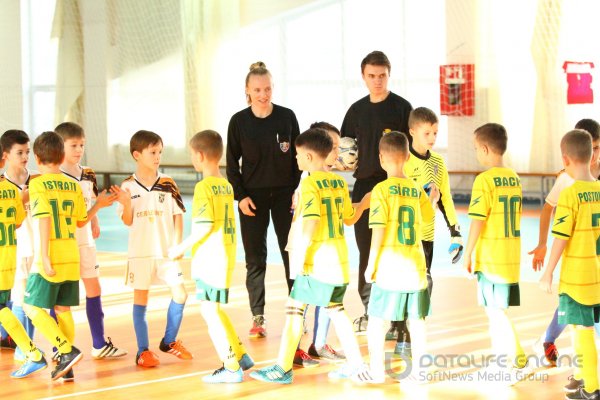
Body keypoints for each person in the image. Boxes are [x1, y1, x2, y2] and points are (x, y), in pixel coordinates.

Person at [249, 128, 370, 384]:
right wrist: (366, 202)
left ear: (309, 156)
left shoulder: (309, 183)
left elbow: (310, 224)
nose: (295, 159)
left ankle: (282, 369)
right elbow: (349, 218)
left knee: (294, 310)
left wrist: (300, 260)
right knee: (336, 310)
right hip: (338, 260)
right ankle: (357, 364)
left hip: (316, 261)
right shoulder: (338, 182)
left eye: (298, 155)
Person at [23, 131, 116, 380]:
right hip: (71, 254)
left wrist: (42, 256)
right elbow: (81, 220)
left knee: (30, 307)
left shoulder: (38, 184)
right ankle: (67, 369)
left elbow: (43, 221)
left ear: (36, 157)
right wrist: (99, 205)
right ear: (62, 155)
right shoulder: (72, 184)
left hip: (51, 253)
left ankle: (65, 351)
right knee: (63, 309)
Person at [168, 130, 254, 383]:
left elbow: (204, 226)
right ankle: (240, 355)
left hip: (210, 258)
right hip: (225, 255)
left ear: (200, 155)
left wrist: (180, 248)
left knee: (209, 313)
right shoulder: (226, 186)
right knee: (214, 309)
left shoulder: (204, 187)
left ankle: (230, 367)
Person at [226, 61, 301, 338]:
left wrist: (297, 189)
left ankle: (297, 313)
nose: (263, 94)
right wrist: (241, 196)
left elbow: (298, 157)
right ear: (247, 90)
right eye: (257, 89)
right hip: (252, 199)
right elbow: (232, 164)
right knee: (255, 259)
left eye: (267, 88)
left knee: (291, 254)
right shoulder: (238, 122)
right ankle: (258, 316)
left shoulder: (287, 117)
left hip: (285, 196)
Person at [340, 50, 412, 334]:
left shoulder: (402, 108)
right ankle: (370, 312)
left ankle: (397, 318)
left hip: (395, 187)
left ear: (389, 74)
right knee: (367, 250)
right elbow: (344, 148)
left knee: (394, 250)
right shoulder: (356, 111)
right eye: (372, 76)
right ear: (363, 76)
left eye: (382, 75)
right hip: (364, 187)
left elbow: (415, 149)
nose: (377, 81)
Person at [357, 131, 437, 384]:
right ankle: (421, 372)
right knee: (417, 321)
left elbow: (378, 230)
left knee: (377, 322)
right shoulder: (415, 189)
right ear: (407, 158)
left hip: (390, 266)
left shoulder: (380, 190)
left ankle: (377, 372)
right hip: (415, 266)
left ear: (381, 158)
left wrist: (370, 265)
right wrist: (432, 199)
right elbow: (428, 217)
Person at [114, 130, 191, 368]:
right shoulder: (127, 186)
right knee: (141, 300)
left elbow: (178, 216)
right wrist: (126, 204)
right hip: (140, 253)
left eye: (159, 152)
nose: (158, 156)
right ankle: (143, 351)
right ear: (137, 155)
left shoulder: (168, 183)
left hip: (166, 253)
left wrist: (177, 246)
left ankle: (168, 341)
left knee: (181, 294)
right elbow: (127, 221)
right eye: (152, 152)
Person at [392, 107, 463, 356]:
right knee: (402, 284)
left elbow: (446, 199)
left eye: (435, 132)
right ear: (412, 132)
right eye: (426, 133)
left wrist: (455, 231)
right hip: (403, 236)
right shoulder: (401, 160)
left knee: (425, 281)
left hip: (427, 234)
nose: (432, 138)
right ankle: (400, 330)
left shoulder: (438, 163)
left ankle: (413, 329)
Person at [529, 119, 600, 366]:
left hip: (595, 259)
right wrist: (542, 243)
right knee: (572, 307)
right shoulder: (567, 180)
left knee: (583, 312)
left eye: (598, 147)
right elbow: (548, 209)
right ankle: (550, 340)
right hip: (578, 260)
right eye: (593, 147)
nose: (595, 153)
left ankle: (586, 374)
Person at [462, 123, 529, 384]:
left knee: (495, 312)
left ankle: (514, 361)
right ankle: (505, 359)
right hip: (510, 255)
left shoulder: (484, 180)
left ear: (486, 148)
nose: (477, 153)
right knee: (497, 310)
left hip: (491, 257)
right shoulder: (513, 176)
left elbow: (478, 220)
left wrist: (468, 253)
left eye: (477, 149)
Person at [55, 122, 127, 362]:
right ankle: (60, 348)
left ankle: (98, 343)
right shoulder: (55, 176)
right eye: (73, 145)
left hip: (85, 241)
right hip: (64, 243)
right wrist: (97, 208)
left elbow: (91, 202)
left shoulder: (88, 173)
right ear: (60, 146)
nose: (79, 150)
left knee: (94, 289)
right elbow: (79, 216)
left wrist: (95, 220)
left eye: (82, 145)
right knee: (62, 297)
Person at [288, 122, 346, 367]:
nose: (336, 153)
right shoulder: (309, 180)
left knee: (325, 299)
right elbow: (307, 221)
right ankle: (294, 351)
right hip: (307, 249)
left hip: (323, 251)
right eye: (333, 148)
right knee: (300, 302)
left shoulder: (329, 180)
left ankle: (318, 344)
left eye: (338, 148)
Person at [0, 142, 47, 379]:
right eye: (20, 152)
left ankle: (30, 350)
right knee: (18, 300)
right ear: (5, 157)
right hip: (14, 251)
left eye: (27, 152)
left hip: (30, 249)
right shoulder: (6, 187)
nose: (25, 156)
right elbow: (16, 219)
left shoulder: (37, 179)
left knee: (27, 300)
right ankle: (25, 348)